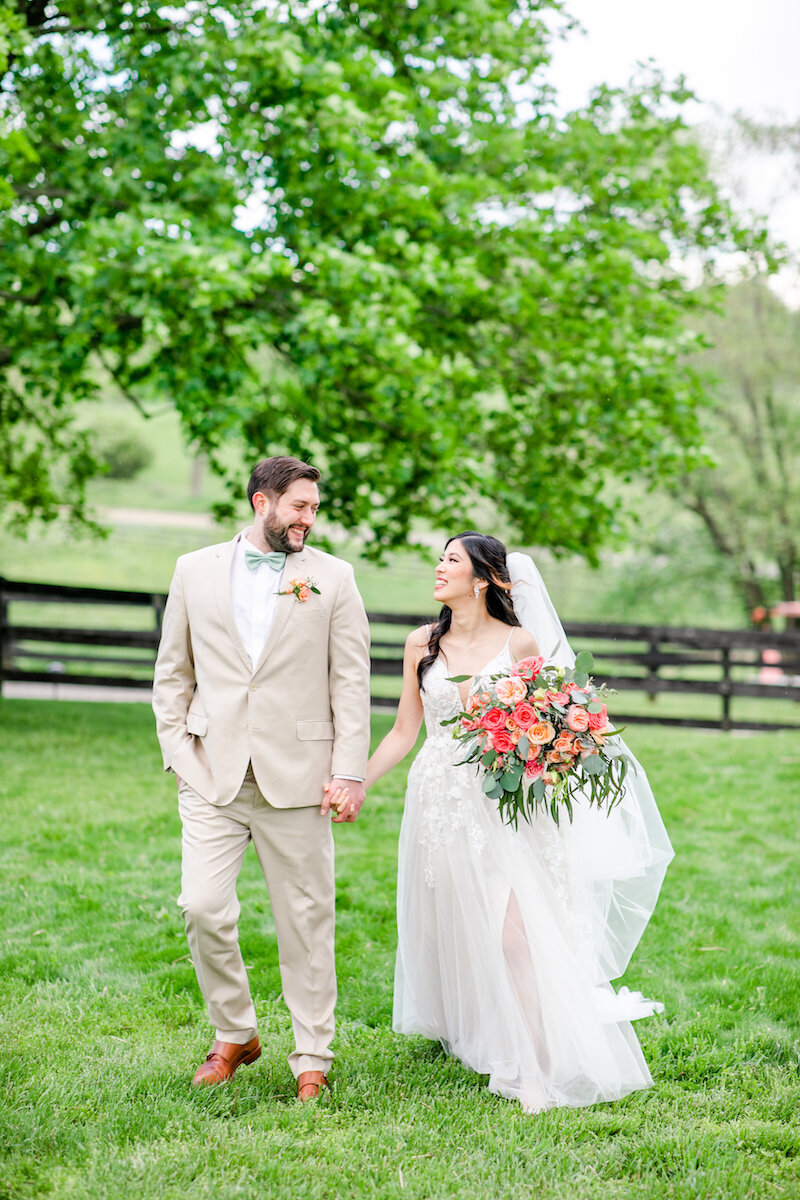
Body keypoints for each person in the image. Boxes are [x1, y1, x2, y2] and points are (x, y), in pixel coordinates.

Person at [337, 531, 673, 1113]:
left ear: (485, 579)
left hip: (506, 803)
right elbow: (403, 731)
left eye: (451, 562)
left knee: (514, 932)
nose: (438, 570)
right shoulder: (422, 643)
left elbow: (556, 718)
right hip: (439, 799)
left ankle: (537, 1065)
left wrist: (554, 747)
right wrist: (357, 780)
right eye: (439, 560)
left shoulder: (520, 643)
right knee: (459, 921)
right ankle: (480, 1034)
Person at [152, 456, 371, 1100]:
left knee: (305, 919)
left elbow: (350, 683)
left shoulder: (334, 578)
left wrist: (348, 771)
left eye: (315, 509)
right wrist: (178, 750)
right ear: (261, 502)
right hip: (212, 772)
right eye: (299, 507)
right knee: (202, 907)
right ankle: (236, 1033)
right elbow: (173, 672)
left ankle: (312, 1057)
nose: (309, 519)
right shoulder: (194, 570)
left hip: (299, 776)